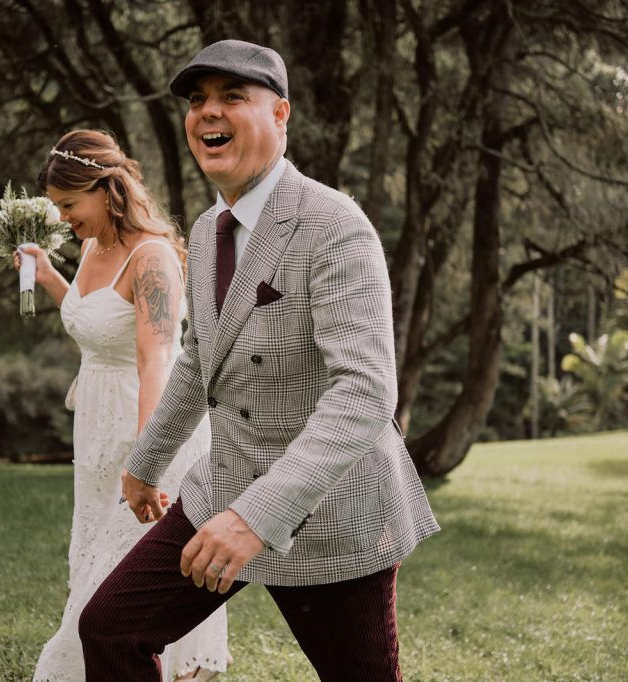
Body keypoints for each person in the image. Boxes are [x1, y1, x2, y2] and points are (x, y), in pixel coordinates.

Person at [77, 40, 441, 681]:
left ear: (280, 115)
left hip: (332, 512)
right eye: (197, 100)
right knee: (110, 629)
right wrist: (146, 463)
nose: (207, 112)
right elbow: (198, 359)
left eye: (231, 96)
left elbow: (363, 393)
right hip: (221, 487)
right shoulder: (205, 229)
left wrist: (255, 517)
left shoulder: (334, 226)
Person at [19, 130, 229, 682]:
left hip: (150, 425)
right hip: (95, 431)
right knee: (94, 562)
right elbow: (100, 324)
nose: (63, 218)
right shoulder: (94, 247)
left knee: (122, 579)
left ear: (105, 189)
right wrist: (48, 277)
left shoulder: (153, 256)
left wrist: (146, 461)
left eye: (70, 204)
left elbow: (155, 359)